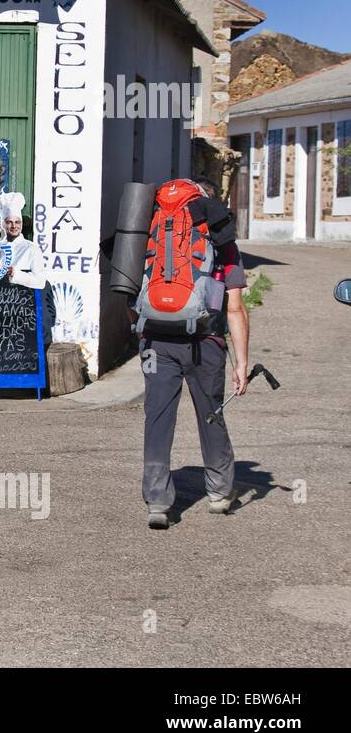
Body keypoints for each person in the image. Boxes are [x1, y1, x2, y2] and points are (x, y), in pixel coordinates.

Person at [137, 179, 249, 530]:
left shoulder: (152, 229)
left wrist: (146, 327)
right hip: (207, 343)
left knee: (157, 418)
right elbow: (235, 309)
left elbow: (128, 288)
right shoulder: (221, 239)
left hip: (156, 341)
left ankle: (157, 501)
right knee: (210, 414)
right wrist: (241, 363)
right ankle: (219, 492)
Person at [0, 192, 46, 289]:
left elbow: (41, 282)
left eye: (17, 222)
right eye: (9, 222)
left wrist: (16, 274)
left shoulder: (32, 249)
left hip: (21, 301)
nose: (14, 226)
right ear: (2, 224)